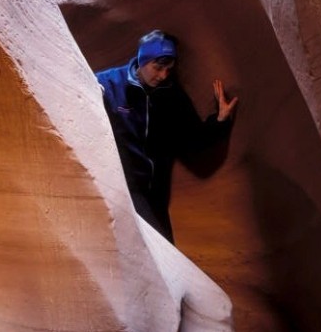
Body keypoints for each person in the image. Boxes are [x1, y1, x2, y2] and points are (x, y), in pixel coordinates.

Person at [95, 30, 237, 243]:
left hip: (154, 194)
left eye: (168, 70)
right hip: (122, 188)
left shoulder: (171, 95)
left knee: (164, 252)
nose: (162, 75)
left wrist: (219, 121)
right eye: (158, 68)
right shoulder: (108, 84)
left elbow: (193, 138)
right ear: (143, 60)